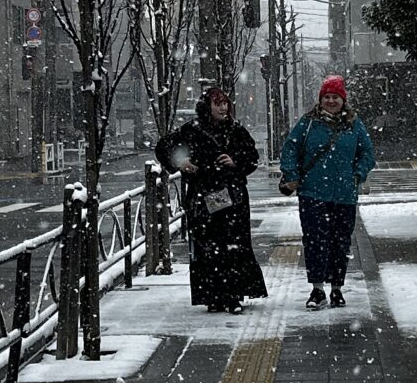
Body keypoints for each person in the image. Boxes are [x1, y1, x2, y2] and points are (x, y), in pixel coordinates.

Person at [160, 87, 266, 313]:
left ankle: (232, 296)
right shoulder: (192, 130)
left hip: (233, 197)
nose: (223, 108)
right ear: (207, 106)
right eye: (218, 103)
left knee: (233, 245)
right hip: (202, 196)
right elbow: (164, 148)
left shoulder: (235, 129)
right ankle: (213, 296)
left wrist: (235, 161)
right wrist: (180, 162)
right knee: (208, 246)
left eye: (225, 103)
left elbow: (252, 158)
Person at [278, 74, 374, 309]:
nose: (331, 101)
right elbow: (290, 148)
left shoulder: (354, 124)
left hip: (344, 195)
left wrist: (357, 174)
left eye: (335, 97)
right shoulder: (309, 123)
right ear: (321, 99)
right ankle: (317, 289)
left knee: (340, 243)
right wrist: (291, 174)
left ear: (343, 100)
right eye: (327, 97)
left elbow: (367, 153)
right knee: (315, 241)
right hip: (312, 193)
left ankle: (337, 289)